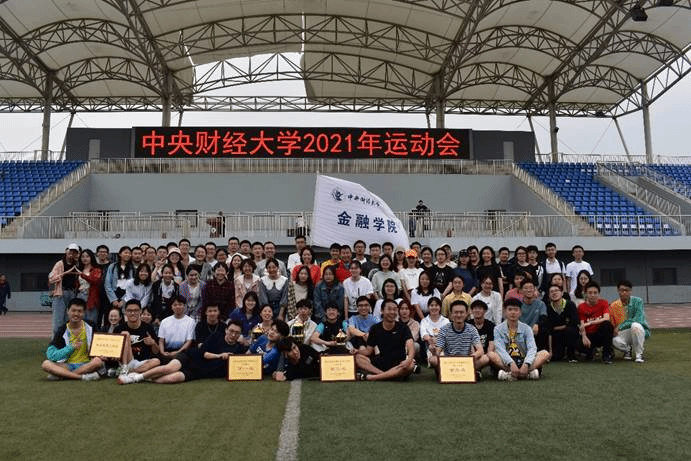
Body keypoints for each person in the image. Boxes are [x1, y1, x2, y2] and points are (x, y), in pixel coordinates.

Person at [118, 320, 249, 385]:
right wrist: (220, 356)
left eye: (237, 333)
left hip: (199, 372)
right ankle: (135, 378)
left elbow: (248, 358)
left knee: (170, 378)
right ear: (226, 330)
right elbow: (203, 353)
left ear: (240, 335)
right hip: (191, 357)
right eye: (231, 331)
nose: (233, 335)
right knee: (169, 368)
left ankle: (143, 376)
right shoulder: (216, 336)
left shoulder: (238, 348)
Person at [41, 298, 103, 381]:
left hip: (87, 364)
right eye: (73, 311)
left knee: (98, 361)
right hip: (67, 365)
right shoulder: (62, 330)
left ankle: (63, 375)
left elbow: (100, 345)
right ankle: (82, 377)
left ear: (84, 313)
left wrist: (101, 354)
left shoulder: (91, 326)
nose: (76, 314)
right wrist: (71, 347)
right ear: (68, 311)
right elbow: (51, 355)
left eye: (79, 311)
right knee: (46, 364)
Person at [489, 298, 550, 381]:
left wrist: (526, 364)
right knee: (491, 354)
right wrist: (510, 363)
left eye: (516, 310)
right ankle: (526, 374)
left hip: (523, 359)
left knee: (545, 353)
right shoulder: (498, 329)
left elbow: (532, 348)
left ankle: (512, 374)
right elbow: (500, 349)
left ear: (520, 312)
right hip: (507, 361)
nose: (513, 312)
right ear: (505, 312)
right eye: (510, 310)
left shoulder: (527, 328)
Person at [354, 299, 415, 381]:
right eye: (389, 309)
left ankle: (374, 377)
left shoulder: (403, 327)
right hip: (381, 362)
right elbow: (368, 351)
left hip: (399, 363)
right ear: (382, 311)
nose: (392, 312)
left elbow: (411, 346)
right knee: (358, 358)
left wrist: (409, 360)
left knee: (410, 365)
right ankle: (388, 375)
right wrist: (357, 351)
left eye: (394, 309)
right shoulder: (375, 329)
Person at [429, 300, 488, 378]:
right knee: (433, 360)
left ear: (466, 314)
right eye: (456, 312)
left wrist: (471, 357)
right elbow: (438, 351)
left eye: (461, 312)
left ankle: (447, 373)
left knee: (485, 358)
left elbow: (480, 350)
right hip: (450, 361)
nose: (459, 315)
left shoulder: (472, 329)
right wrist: (434, 350)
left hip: (467, 361)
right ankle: (469, 372)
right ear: (451, 314)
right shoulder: (444, 329)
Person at [114, 299, 160, 375]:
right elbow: (114, 352)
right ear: (125, 312)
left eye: (136, 310)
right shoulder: (119, 329)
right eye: (129, 311)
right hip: (126, 360)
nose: (132, 313)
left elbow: (156, 351)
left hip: (141, 362)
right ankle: (126, 368)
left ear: (140, 311)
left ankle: (130, 372)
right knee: (125, 334)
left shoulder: (148, 328)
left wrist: (153, 343)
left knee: (156, 361)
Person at [610, 280, 650, 363]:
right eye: (622, 290)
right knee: (613, 341)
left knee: (635, 326)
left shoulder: (638, 301)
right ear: (618, 291)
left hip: (638, 329)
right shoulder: (614, 305)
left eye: (627, 290)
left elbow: (638, 319)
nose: (624, 293)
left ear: (630, 291)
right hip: (624, 332)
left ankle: (639, 354)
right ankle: (627, 349)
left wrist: (621, 326)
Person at [577, 281, 614, 363]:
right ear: (586, 294)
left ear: (598, 294)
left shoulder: (604, 303)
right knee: (579, 344)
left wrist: (591, 322)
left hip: (599, 334)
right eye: (590, 293)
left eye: (595, 293)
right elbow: (582, 324)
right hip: (589, 335)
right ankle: (591, 351)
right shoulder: (581, 307)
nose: (593, 295)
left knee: (607, 325)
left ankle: (607, 354)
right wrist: (584, 337)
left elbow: (606, 318)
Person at [48, 243, 81, 334]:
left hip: (72, 294)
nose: (72, 254)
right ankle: (56, 341)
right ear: (66, 252)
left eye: (74, 252)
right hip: (60, 293)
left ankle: (67, 340)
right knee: (58, 321)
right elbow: (51, 278)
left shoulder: (77, 264)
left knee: (69, 320)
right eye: (70, 252)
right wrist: (62, 275)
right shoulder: (60, 264)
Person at [545, 284, 579, 362]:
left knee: (571, 330)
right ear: (549, 295)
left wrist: (560, 327)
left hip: (569, 333)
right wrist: (550, 351)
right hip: (556, 335)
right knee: (556, 358)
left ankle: (571, 355)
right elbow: (549, 327)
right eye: (551, 292)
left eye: (556, 291)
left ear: (562, 293)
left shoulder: (570, 304)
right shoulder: (548, 307)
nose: (554, 293)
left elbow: (574, 322)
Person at [157, 295, 195, 359]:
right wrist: (162, 352)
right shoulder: (164, 321)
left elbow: (189, 341)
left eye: (180, 304)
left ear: (184, 306)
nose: (177, 307)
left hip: (183, 352)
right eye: (175, 305)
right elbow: (161, 340)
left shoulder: (191, 321)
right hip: (167, 351)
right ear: (171, 307)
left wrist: (178, 352)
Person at [519, 279, 550, 352]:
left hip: (535, 331)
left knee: (545, 327)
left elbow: (543, 317)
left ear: (535, 290)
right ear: (521, 291)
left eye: (531, 288)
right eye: (526, 288)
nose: (529, 290)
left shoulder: (540, 304)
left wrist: (537, 324)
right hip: (521, 332)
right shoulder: (518, 305)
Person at [419, 296, 449, 366]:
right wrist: (431, 340)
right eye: (431, 305)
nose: (434, 307)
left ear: (440, 307)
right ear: (428, 307)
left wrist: (437, 340)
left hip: (443, 346)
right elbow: (424, 335)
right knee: (434, 359)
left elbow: (447, 335)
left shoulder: (446, 321)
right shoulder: (424, 321)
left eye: (436, 305)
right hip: (430, 346)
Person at [75, 249, 102, 324]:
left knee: (91, 321)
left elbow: (94, 280)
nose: (85, 258)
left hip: (91, 297)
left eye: (87, 256)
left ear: (91, 257)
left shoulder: (96, 270)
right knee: (79, 319)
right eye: (83, 256)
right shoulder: (80, 269)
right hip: (80, 295)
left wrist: (83, 275)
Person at [467, 300, 496, 367]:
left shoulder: (490, 325)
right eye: (475, 309)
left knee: (486, 358)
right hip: (471, 355)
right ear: (471, 311)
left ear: (485, 311)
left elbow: (491, 344)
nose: (477, 311)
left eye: (480, 308)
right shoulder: (467, 325)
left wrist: (486, 355)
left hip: (485, 356)